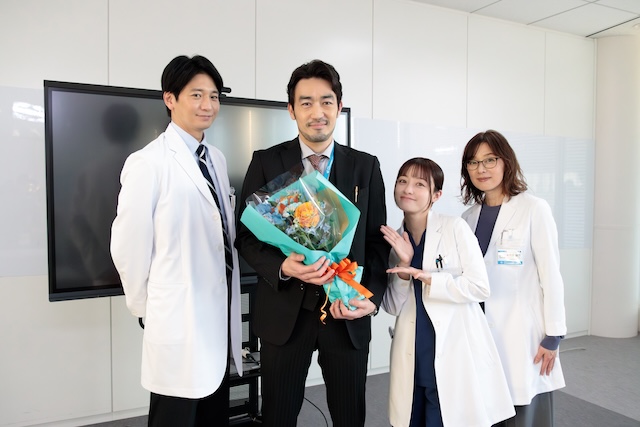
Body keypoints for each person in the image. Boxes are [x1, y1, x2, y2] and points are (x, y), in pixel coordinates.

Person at [235, 59, 389, 427]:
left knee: (350, 416)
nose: (317, 112)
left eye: (326, 101)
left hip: (346, 313)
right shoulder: (266, 162)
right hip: (285, 314)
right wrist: (282, 267)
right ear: (291, 110)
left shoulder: (365, 166)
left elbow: (377, 242)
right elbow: (246, 237)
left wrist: (370, 299)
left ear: (338, 106)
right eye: (306, 102)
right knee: (278, 415)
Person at [110, 55, 242, 426]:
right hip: (176, 316)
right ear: (170, 99)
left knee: (213, 412)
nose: (208, 105)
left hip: (217, 311)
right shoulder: (148, 162)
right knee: (175, 415)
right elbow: (128, 244)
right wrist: (147, 306)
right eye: (196, 95)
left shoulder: (215, 158)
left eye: (214, 96)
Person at [381, 158, 515, 427]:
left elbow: (480, 286)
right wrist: (405, 267)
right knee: (412, 415)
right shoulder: (394, 239)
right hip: (414, 345)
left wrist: (429, 278)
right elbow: (392, 306)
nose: (408, 189)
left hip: (452, 346)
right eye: (402, 181)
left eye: (420, 184)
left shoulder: (454, 228)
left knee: (446, 415)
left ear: (436, 195)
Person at [460, 130, 567, 427]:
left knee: (523, 413)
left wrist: (553, 335)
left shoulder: (534, 209)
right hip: (479, 332)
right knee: (485, 410)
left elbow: (551, 276)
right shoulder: (467, 218)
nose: (481, 169)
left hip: (522, 335)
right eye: (473, 162)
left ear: (506, 162)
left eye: (489, 160)